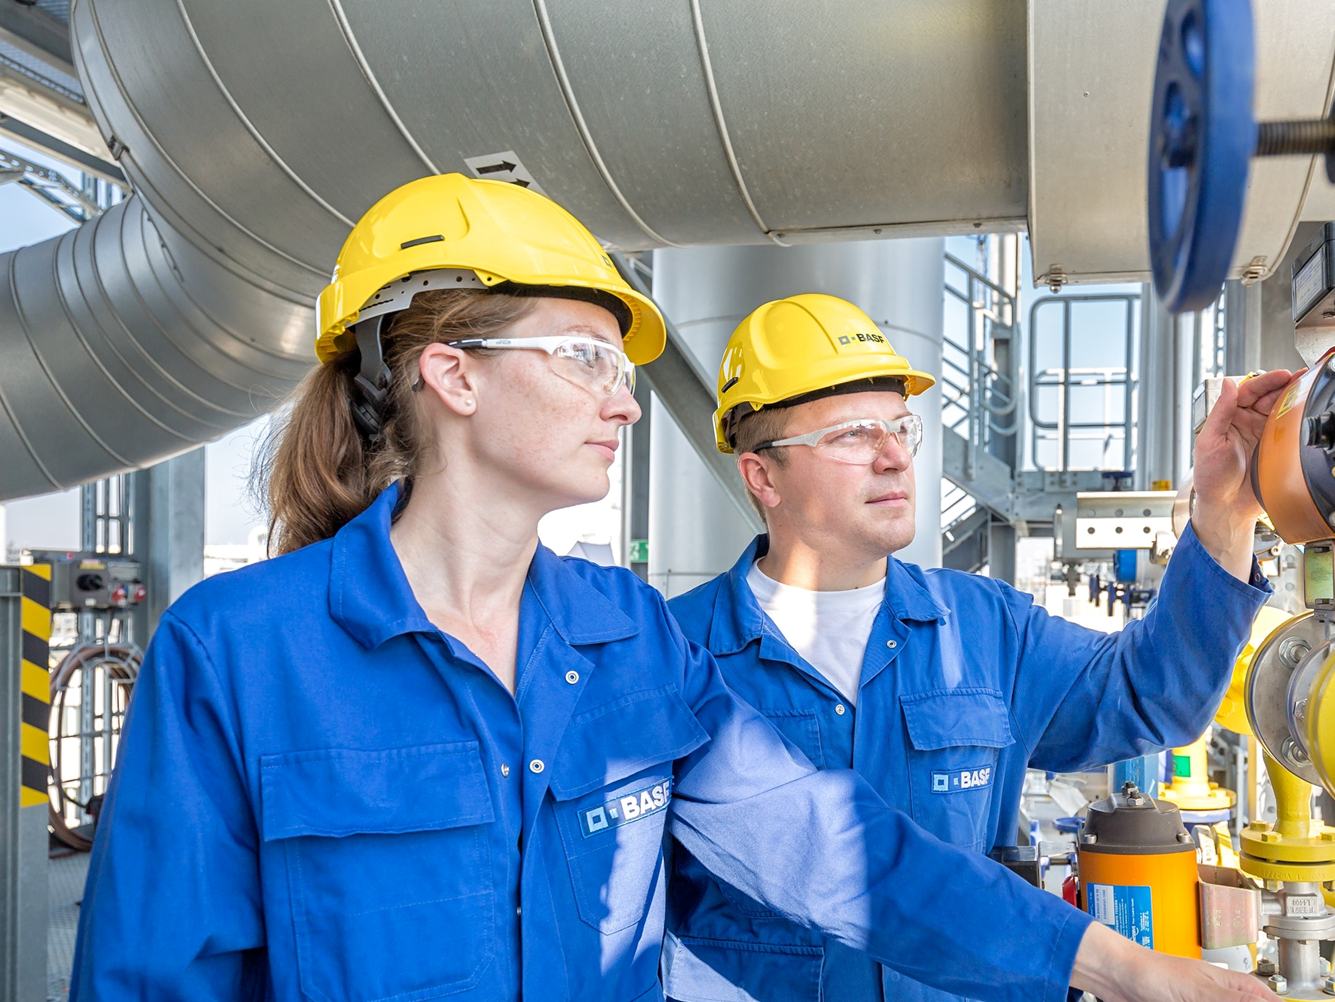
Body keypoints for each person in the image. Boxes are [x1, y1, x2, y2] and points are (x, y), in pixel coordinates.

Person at [70, 175, 1274, 1002]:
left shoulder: (625, 638)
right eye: (586, 355)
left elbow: (827, 844)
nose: (623, 397)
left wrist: (1122, 967)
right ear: (452, 374)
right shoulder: (239, 651)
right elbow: (156, 975)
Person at [665, 293, 1293, 1002]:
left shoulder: (987, 630)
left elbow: (1157, 696)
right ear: (762, 475)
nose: (895, 457)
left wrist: (1225, 510)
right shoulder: (673, 656)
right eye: (851, 435)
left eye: (901, 428)